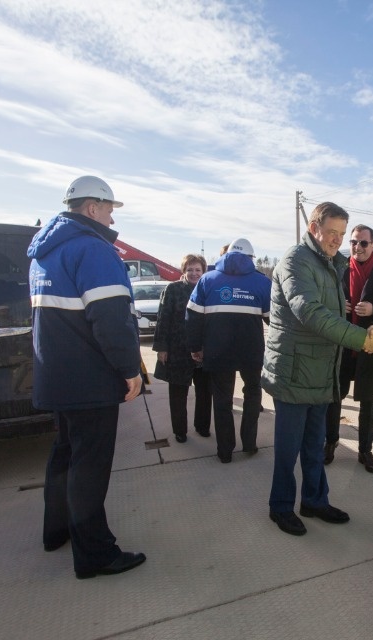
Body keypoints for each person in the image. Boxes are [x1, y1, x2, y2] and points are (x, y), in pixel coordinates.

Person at [28, 175, 146, 580]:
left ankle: (56, 531)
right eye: (111, 208)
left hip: (55, 375)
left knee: (64, 454)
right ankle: (95, 554)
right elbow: (111, 320)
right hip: (88, 380)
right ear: (92, 208)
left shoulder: (44, 253)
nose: (113, 217)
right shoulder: (94, 250)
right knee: (89, 467)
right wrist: (130, 369)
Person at [261, 202, 373, 536]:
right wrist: (360, 339)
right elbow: (311, 312)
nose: (336, 240)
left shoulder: (332, 263)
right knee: (288, 449)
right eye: (331, 232)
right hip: (293, 370)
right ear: (314, 227)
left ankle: (315, 501)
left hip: (321, 371)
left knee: (315, 446)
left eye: (341, 234)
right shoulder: (295, 261)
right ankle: (281, 506)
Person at [324, 224, 373, 473]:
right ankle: (330, 443)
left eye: (363, 243)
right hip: (342, 347)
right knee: (334, 399)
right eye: (354, 242)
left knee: (369, 404)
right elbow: (322, 303)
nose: (357, 247)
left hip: (371, 349)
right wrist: (339, 306)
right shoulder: (338, 271)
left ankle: (365, 450)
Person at [186, 238, 271, 463]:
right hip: (251, 352)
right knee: (253, 394)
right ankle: (249, 444)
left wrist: (195, 347)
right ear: (251, 258)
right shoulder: (262, 283)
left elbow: (192, 318)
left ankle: (225, 451)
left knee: (222, 400)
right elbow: (274, 320)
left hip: (217, 352)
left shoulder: (207, 279)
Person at [152, 254, 212, 443]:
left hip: (203, 351)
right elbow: (163, 318)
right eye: (190, 270)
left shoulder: (209, 289)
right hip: (178, 350)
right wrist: (162, 348)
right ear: (183, 271)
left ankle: (202, 427)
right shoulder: (173, 289)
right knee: (178, 393)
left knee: (204, 392)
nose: (194, 273)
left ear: (204, 271)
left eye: (198, 270)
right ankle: (180, 430)